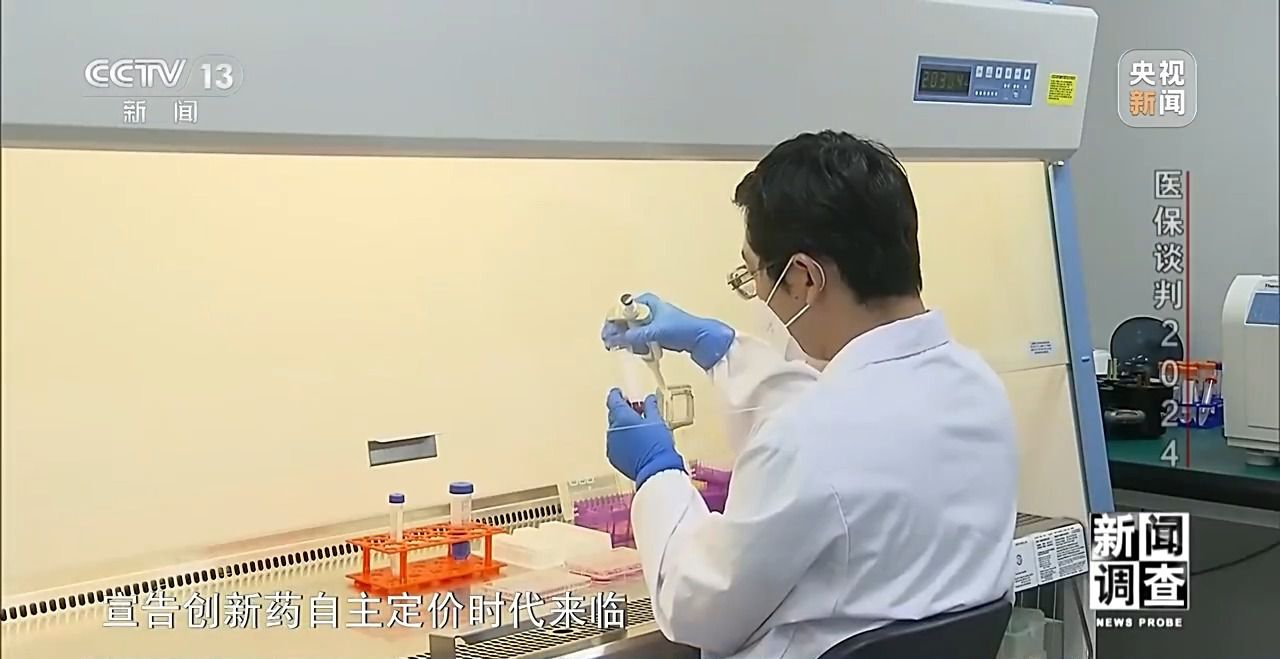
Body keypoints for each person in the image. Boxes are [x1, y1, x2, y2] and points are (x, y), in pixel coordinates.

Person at [600, 130, 1018, 659]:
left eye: (753, 274)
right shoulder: (978, 389)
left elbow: (696, 607)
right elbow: (846, 423)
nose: (760, 295)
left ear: (803, 277)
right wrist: (721, 349)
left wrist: (656, 473)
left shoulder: (806, 442)